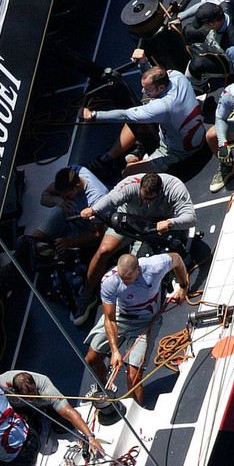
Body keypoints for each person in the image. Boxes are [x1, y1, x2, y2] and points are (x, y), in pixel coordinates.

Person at [86, 248, 190, 411]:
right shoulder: (109, 281)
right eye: (121, 277)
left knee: (133, 379)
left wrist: (184, 287)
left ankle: (135, 413)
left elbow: (176, 259)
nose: (124, 282)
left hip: (146, 321)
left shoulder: (155, 265)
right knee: (92, 359)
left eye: (128, 278)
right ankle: (103, 389)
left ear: (138, 270)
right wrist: (114, 351)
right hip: (120, 317)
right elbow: (110, 318)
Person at [78, 167, 197, 301]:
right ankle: (87, 294)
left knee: (138, 266)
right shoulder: (130, 184)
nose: (146, 201)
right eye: (143, 197)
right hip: (130, 220)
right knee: (103, 251)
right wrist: (94, 209)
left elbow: (191, 218)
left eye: (150, 199)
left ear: (160, 191)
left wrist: (170, 223)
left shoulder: (175, 187)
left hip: (157, 226)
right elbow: (111, 199)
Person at [81, 62, 207, 171]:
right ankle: (109, 157)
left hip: (180, 152)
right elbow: (155, 75)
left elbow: (125, 115)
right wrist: (144, 63)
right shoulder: (176, 75)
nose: (142, 91)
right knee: (139, 117)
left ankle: (124, 158)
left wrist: (93, 115)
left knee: (128, 171)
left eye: (147, 88)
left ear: (161, 87)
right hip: (197, 133)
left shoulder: (162, 106)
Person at [0, 369, 109, 463]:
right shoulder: (1, 384)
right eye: (28, 397)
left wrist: (90, 437)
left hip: (43, 404)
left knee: (65, 422)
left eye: (33, 395)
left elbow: (69, 412)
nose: (31, 399)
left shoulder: (46, 388)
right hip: (21, 409)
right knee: (30, 435)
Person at [178, 0, 234, 75]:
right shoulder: (223, 5)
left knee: (197, 65)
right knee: (188, 31)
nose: (203, 26)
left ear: (213, 24)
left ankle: (199, 86)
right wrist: (180, 17)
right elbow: (204, 5)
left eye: (203, 24)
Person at [36, 163, 105, 237]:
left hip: (84, 227)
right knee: (36, 236)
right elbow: (44, 198)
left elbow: (97, 234)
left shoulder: (96, 198)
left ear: (77, 186)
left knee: (56, 245)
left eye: (68, 196)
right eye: (61, 195)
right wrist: (57, 200)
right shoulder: (68, 176)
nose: (65, 198)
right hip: (67, 213)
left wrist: (69, 243)